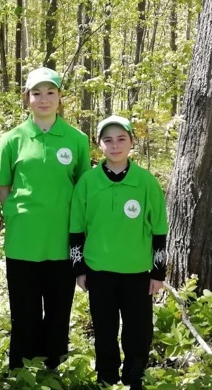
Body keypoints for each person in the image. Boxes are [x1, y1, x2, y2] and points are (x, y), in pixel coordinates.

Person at [0, 67, 91, 371]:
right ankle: (21, 370)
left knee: (58, 309)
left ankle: (53, 368)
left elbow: (82, 187)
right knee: (24, 312)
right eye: (37, 93)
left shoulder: (76, 139)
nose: (44, 99)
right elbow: (3, 184)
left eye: (51, 92)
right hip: (23, 240)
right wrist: (13, 212)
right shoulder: (12, 139)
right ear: (27, 98)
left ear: (60, 97)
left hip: (61, 241)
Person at [69, 115, 168, 390]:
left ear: (132, 142)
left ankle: (134, 376)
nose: (115, 146)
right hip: (99, 272)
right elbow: (76, 230)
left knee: (139, 331)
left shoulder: (146, 183)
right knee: (104, 330)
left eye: (121, 139)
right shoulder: (88, 182)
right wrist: (79, 270)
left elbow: (159, 231)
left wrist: (158, 272)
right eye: (108, 140)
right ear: (99, 145)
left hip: (137, 272)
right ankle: (106, 378)